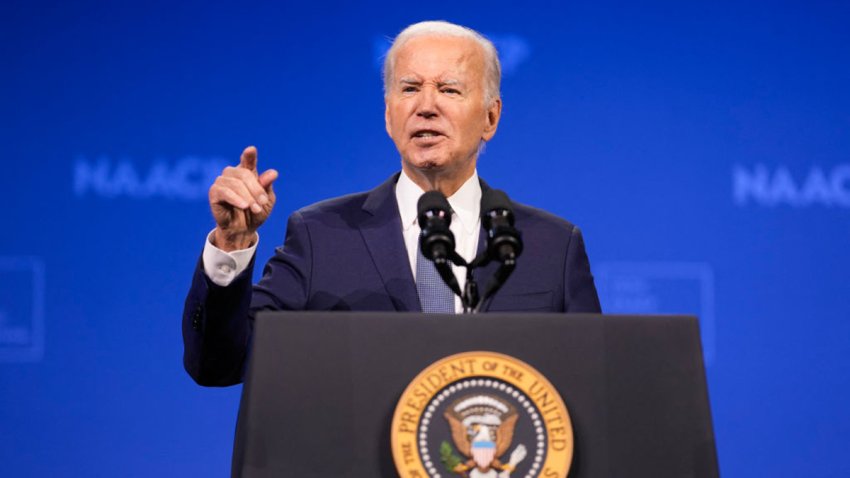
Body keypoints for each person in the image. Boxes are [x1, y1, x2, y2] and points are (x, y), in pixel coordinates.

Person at [183, 21, 601, 386]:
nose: (426, 106)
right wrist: (232, 244)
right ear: (389, 115)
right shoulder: (321, 236)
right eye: (410, 89)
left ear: (490, 118)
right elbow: (220, 366)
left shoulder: (551, 246)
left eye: (449, 89)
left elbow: (592, 385)